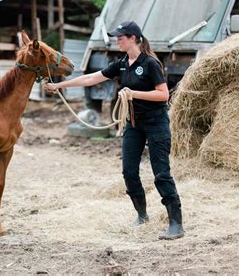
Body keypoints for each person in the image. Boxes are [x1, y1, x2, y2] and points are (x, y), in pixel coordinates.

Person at [43, 21, 184, 240]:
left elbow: (163, 95)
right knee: (129, 171)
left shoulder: (150, 64)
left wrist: (133, 93)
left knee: (161, 174)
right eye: (117, 37)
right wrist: (59, 86)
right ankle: (142, 216)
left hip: (156, 123)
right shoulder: (121, 64)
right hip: (133, 124)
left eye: (121, 37)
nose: (117, 40)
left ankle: (176, 223)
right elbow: (92, 78)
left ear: (134, 38)